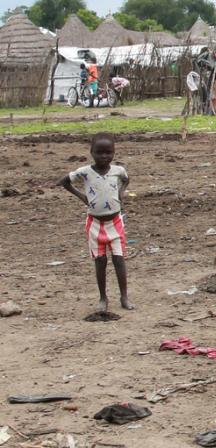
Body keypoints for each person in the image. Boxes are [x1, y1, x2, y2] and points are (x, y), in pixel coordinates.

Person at [58, 133, 132, 313]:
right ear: (92, 152)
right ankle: (103, 298)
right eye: (99, 153)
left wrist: (121, 193)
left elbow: (126, 180)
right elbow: (64, 181)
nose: (104, 156)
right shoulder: (84, 172)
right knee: (100, 261)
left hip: (115, 221)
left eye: (108, 153)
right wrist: (83, 197)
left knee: (119, 259)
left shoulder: (118, 171)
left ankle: (124, 296)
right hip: (95, 224)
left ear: (114, 152)